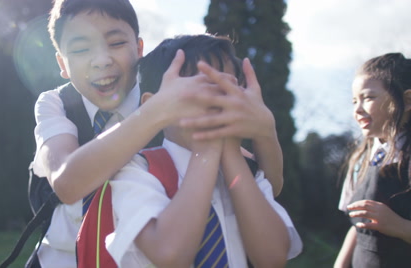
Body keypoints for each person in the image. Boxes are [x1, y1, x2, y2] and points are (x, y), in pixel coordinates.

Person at [33, 0, 285, 267]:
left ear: (139, 48)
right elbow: (67, 183)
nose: (101, 61)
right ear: (62, 62)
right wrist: (157, 111)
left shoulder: (169, 90)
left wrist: (265, 131)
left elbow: (262, 181)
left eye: (116, 43)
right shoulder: (57, 103)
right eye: (82, 49)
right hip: (62, 259)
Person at [105, 34, 302, 267]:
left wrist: (230, 153)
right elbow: (170, 252)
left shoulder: (247, 172)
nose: (216, 98)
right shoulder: (138, 170)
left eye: (229, 87)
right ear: (154, 106)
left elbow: (273, 257)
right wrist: (206, 152)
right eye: (200, 87)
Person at [334, 53, 411, 268]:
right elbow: (357, 226)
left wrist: (399, 226)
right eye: (354, 101)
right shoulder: (360, 160)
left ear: (407, 101)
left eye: (368, 98)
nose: (357, 110)